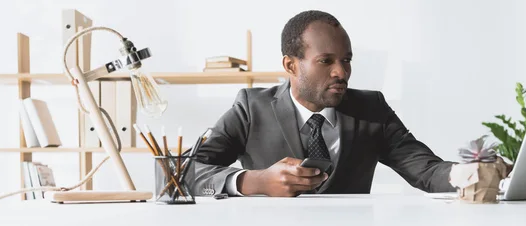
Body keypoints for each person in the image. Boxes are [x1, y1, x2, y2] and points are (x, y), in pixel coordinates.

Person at [192, 10, 455, 197]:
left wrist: (470, 174)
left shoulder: (372, 109)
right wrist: (255, 181)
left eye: (346, 60)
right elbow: (184, 173)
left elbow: (427, 170)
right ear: (290, 65)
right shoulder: (251, 108)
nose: (341, 72)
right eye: (326, 61)